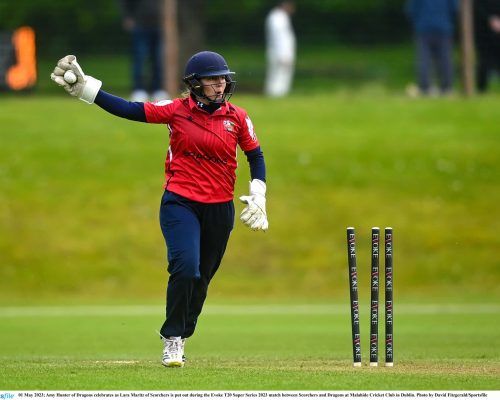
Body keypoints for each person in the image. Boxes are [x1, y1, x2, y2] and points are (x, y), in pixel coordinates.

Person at [50, 51, 269, 368]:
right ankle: (172, 339)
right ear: (195, 84)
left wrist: (258, 193)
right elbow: (129, 109)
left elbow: (255, 155)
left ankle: (183, 332)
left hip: (220, 208)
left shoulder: (237, 117)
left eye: (223, 78)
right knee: (186, 267)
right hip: (181, 202)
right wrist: (86, 89)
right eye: (212, 79)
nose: (220, 84)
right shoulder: (177, 111)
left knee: (201, 280)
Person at [405, 0, 459, 96]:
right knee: (445, 59)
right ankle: (446, 88)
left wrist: (419, 21)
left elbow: (411, 10)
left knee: (424, 59)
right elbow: (455, 9)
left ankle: (425, 88)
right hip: (443, 26)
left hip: (423, 27)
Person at [118, 0, 168, 102]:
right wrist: (127, 16)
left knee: (158, 59)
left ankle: (157, 89)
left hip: (159, 25)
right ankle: (139, 90)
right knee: (139, 58)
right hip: (140, 24)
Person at [265, 0, 296, 97]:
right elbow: (279, 38)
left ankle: (280, 94)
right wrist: (283, 54)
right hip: (280, 53)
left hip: (281, 52)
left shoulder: (281, 17)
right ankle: (275, 94)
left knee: (282, 75)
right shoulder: (277, 18)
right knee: (278, 75)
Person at [474, 0, 500, 92]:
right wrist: (490, 19)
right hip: (484, 33)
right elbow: (477, 8)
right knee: (484, 61)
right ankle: (481, 89)